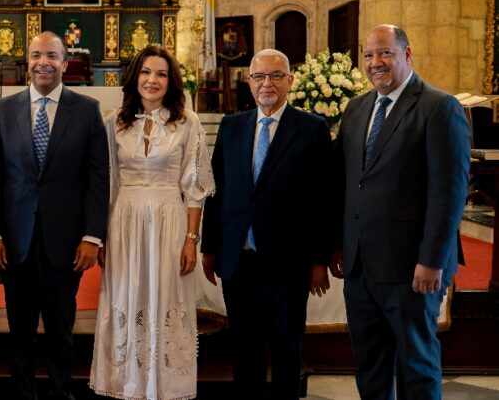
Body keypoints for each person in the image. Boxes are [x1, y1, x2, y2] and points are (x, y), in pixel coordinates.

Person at [331, 24, 470, 400]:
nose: (375, 63)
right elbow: (349, 183)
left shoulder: (439, 107)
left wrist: (432, 260)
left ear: (407, 55)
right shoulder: (357, 108)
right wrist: (340, 245)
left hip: (412, 268)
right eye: (368, 55)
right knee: (371, 367)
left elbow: (449, 193)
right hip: (361, 267)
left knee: (417, 368)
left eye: (385, 53)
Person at [0, 31, 109, 400]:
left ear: (65, 64)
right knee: (19, 330)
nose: (43, 62)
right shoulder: (4, 111)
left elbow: (98, 177)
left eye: (52, 56)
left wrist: (92, 236)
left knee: (60, 327)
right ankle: (23, 394)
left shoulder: (86, 110)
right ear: (28, 62)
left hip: (65, 241)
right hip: (15, 240)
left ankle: (60, 391)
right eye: (37, 55)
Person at [200, 49, 332, 400]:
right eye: (259, 77)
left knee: (287, 346)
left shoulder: (312, 128)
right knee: (245, 346)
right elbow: (218, 191)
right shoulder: (232, 126)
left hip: (289, 260)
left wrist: (319, 260)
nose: (267, 84)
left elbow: (324, 199)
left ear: (290, 80)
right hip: (239, 258)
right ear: (249, 82)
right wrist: (210, 248)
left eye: (276, 76)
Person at [89, 45, 215, 400]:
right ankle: (124, 382)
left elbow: (195, 187)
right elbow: (108, 183)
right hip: (124, 220)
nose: (152, 80)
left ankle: (165, 385)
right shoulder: (114, 122)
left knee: (166, 297)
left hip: (168, 220)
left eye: (160, 74)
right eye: (146, 72)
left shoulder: (186, 123)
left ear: (170, 81)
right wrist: (101, 236)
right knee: (125, 297)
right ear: (135, 77)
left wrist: (191, 238)